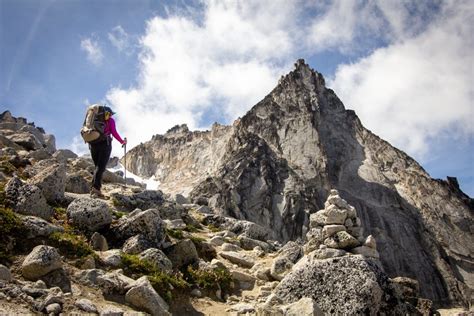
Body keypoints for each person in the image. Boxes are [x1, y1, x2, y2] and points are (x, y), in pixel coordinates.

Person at [89, 106, 126, 198]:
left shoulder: (94, 119)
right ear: (108, 113)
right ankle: (96, 189)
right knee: (100, 167)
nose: (111, 116)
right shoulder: (111, 121)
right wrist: (122, 141)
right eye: (111, 114)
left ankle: (94, 188)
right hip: (105, 144)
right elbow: (114, 132)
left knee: (97, 167)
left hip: (93, 144)